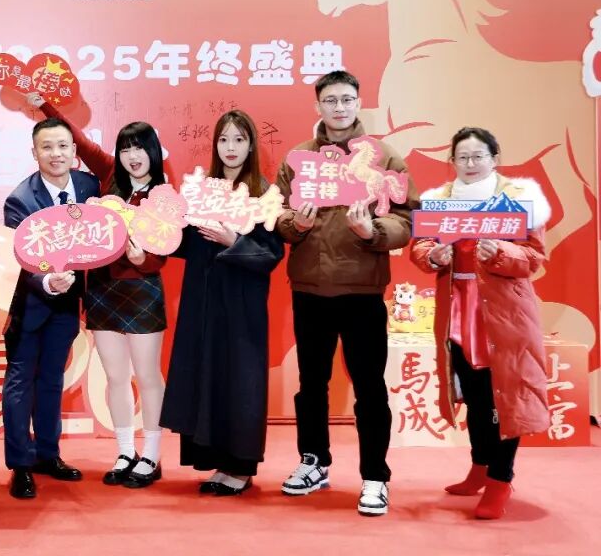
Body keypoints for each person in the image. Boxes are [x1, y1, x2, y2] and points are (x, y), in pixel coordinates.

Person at [275, 69, 418, 517]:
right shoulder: (299, 158)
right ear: (318, 105)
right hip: (310, 288)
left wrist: (372, 230)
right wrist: (294, 224)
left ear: (358, 103)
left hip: (362, 289)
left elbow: (407, 218)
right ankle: (313, 461)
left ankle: (375, 475)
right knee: (311, 384)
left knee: (370, 387)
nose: (339, 107)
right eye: (331, 100)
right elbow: (276, 212)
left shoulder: (383, 156)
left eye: (347, 100)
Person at [28, 92, 168, 488]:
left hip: (143, 292)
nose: (133, 156)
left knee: (148, 376)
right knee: (116, 376)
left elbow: (167, 249)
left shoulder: (164, 194)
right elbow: (80, 141)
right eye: (126, 148)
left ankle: (152, 454)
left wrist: (144, 260)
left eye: (140, 148)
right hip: (103, 291)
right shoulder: (108, 177)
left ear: (154, 153)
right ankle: (125, 451)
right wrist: (45, 106)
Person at [409, 127, 550, 520]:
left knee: (505, 395)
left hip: (505, 312)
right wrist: (433, 256)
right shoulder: (439, 201)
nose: (470, 164)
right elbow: (420, 247)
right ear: (452, 161)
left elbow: (534, 258)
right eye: (462, 157)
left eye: (478, 156)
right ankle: (480, 466)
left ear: (494, 158)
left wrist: (501, 252)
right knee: (472, 392)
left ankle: (501, 479)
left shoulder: (520, 199)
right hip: (458, 309)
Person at [160, 110, 284, 496]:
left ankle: (240, 468)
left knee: (240, 380)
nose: (231, 148)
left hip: (242, 304)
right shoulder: (203, 190)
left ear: (251, 145)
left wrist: (235, 241)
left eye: (239, 140)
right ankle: (216, 461)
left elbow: (272, 254)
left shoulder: (262, 193)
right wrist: (157, 227)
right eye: (224, 139)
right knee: (207, 376)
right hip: (203, 299)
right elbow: (185, 243)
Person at [2, 117, 100, 499]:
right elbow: (19, 257)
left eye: (62, 146)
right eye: (47, 147)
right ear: (34, 152)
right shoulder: (20, 200)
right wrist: (46, 280)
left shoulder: (90, 188)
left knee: (52, 381)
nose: (56, 154)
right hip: (30, 305)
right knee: (20, 384)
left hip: (67, 308)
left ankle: (47, 454)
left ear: (74, 151)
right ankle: (20, 465)